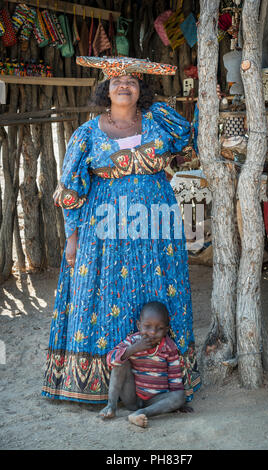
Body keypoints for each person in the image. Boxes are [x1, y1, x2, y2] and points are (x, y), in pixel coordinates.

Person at [41, 57, 201, 405]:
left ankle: (161, 383)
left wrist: (207, 101)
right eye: (116, 81)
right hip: (104, 231)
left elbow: (192, 139)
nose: (124, 86)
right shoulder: (87, 133)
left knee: (156, 289)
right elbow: (70, 188)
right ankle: (99, 386)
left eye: (131, 80)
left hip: (155, 225)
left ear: (141, 88)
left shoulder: (159, 120)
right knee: (104, 294)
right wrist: (72, 237)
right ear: (105, 89)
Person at [100, 301, 185, 428]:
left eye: (159, 328)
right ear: (139, 326)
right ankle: (111, 406)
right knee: (120, 362)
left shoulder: (169, 347)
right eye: (147, 326)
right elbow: (110, 359)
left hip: (155, 400)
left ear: (167, 330)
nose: (152, 332)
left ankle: (142, 413)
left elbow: (175, 379)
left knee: (180, 395)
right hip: (132, 398)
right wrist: (134, 349)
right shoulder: (133, 341)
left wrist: (177, 404)